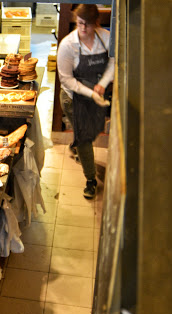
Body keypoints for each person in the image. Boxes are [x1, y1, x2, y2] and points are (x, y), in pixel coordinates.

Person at [57, 4, 114, 199]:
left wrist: (103, 83)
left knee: (92, 131)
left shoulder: (105, 38)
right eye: (79, 23)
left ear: (96, 24)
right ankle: (91, 180)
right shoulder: (67, 45)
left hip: (95, 98)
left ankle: (76, 146)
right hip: (73, 98)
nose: (82, 29)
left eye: (87, 25)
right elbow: (66, 79)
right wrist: (90, 92)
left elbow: (114, 62)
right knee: (85, 138)